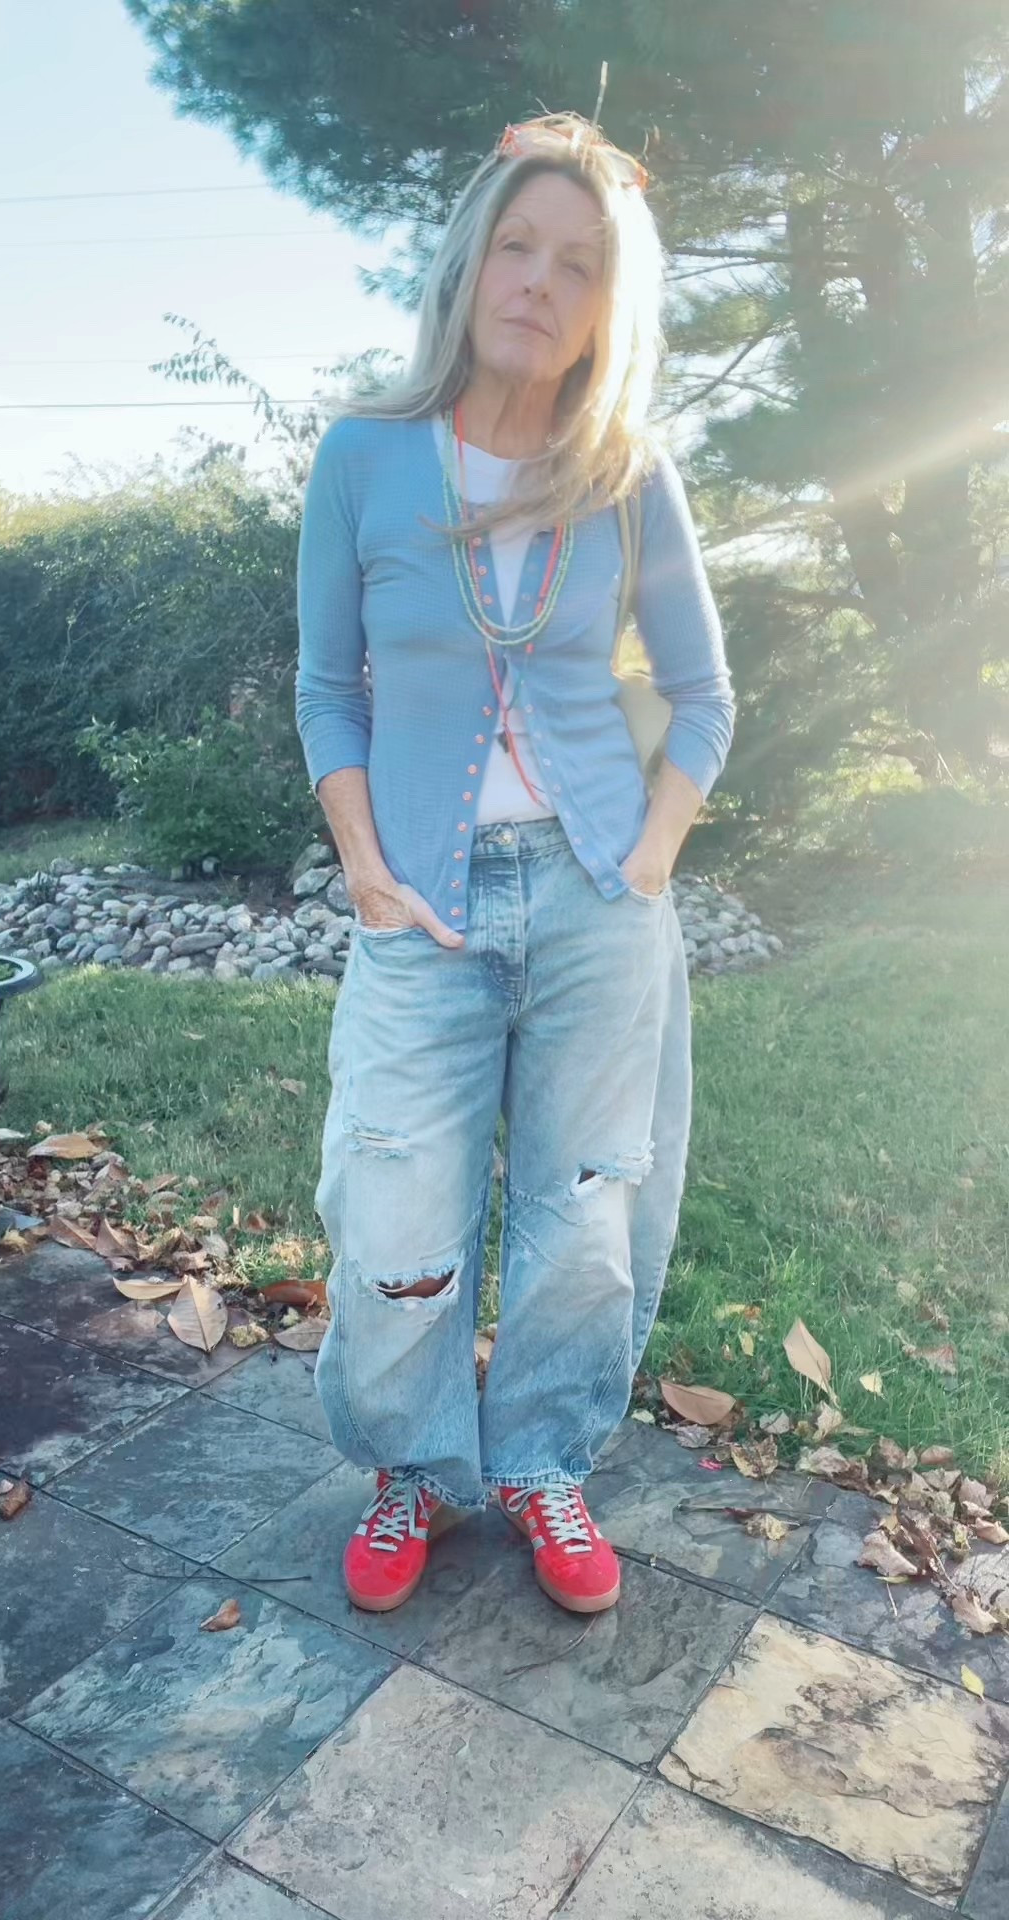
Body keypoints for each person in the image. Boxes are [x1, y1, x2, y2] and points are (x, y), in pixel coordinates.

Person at [295, 111, 735, 1618]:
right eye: (518, 245)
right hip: (418, 903)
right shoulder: (363, 459)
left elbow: (704, 697)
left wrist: (649, 861)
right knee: (394, 1212)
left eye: (580, 264)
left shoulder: (627, 474)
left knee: (585, 1215)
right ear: (471, 261)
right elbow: (328, 690)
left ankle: (545, 1461)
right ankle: (413, 1467)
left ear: (609, 308)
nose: (540, 281)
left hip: (597, 899)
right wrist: (364, 865)